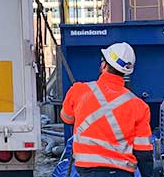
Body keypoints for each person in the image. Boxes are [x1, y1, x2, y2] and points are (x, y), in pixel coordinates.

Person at [60, 42, 153, 177]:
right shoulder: (139, 106)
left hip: (87, 171)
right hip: (122, 172)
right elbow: (143, 152)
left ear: (104, 65)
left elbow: (66, 118)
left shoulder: (79, 90)